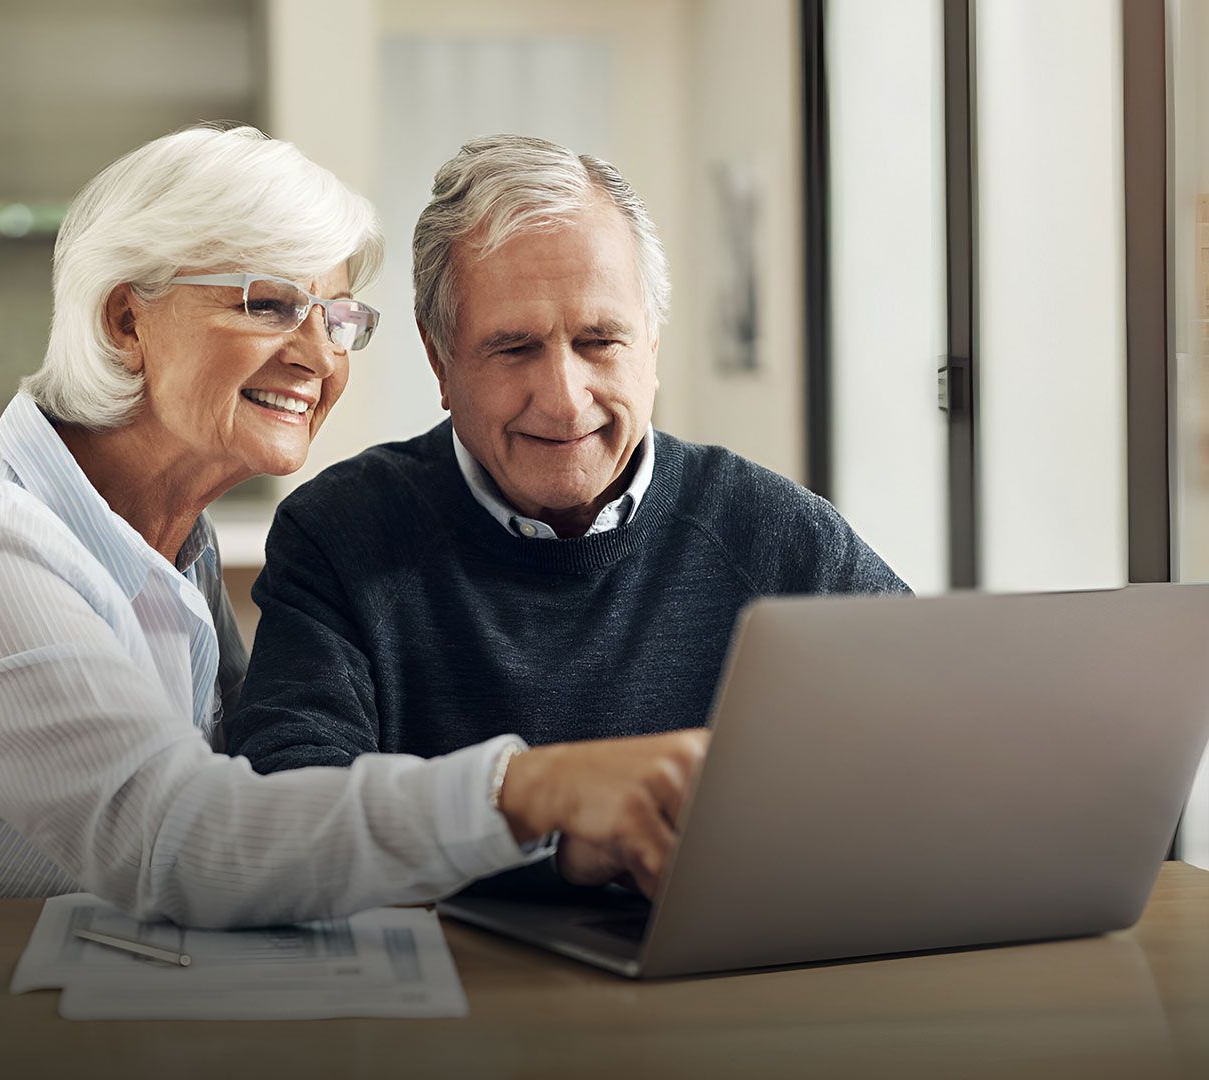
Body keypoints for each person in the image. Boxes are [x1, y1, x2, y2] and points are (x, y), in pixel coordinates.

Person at [0, 126, 710, 926]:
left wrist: (566, 842)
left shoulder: (164, 540)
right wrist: (527, 790)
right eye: (269, 305)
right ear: (124, 322)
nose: (318, 356)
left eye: (337, 316)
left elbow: (260, 807)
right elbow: (183, 843)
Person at [227, 135, 905, 892]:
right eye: (514, 348)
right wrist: (552, 843)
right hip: (458, 993)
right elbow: (286, 815)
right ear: (438, 360)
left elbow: (934, 750)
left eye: (599, 341)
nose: (563, 398)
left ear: (651, 343)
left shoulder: (780, 535)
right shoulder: (339, 535)